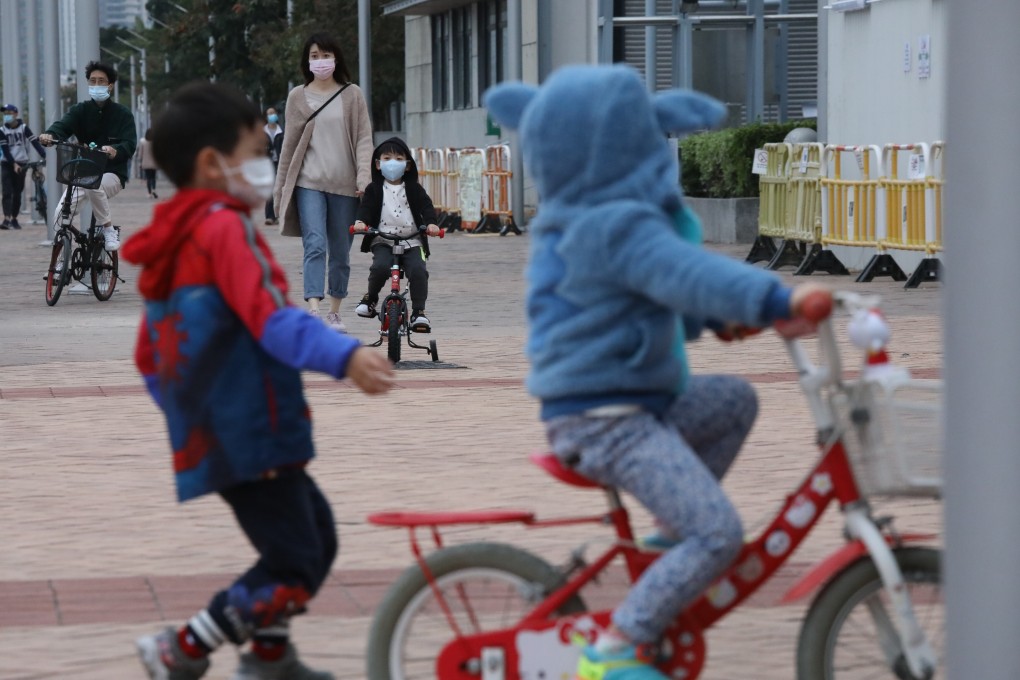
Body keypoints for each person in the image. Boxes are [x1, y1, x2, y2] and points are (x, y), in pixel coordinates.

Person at [484, 64, 830, 680]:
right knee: (719, 534)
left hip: (632, 402)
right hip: (605, 419)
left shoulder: (593, 222)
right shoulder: (613, 222)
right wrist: (775, 302)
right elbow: (685, 272)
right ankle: (617, 647)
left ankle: (672, 533)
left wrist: (717, 322)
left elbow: (645, 297)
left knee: (733, 402)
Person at [121, 81, 394, 680]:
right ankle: (186, 646)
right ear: (212, 164)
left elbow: (149, 354)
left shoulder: (184, 234)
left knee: (311, 541)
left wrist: (188, 411)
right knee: (298, 557)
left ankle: (269, 656)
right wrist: (342, 357)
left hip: (231, 424)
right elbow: (271, 317)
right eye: (256, 151)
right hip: (248, 425)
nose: (265, 164)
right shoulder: (221, 229)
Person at [273, 32, 373, 333]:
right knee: (314, 244)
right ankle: (314, 308)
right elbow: (288, 145)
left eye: (325, 55)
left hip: (345, 186)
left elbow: (364, 138)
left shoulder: (352, 94)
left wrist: (364, 178)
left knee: (340, 251)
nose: (320, 61)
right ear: (307, 61)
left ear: (336, 58)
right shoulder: (297, 97)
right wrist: (280, 189)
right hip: (309, 183)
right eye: (314, 56)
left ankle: (334, 311)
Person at [39, 60, 136, 252]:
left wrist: (116, 150)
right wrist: (50, 135)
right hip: (83, 172)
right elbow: (62, 126)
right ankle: (60, 261)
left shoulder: (123, 114)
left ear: (110, 85)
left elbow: (129, 144)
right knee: (60, 214)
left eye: (101, 81)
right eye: (93, 81)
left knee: (96, 185)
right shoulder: (80, 110)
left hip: (112, 174)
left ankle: (108, 230)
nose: (97, 85)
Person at [352, 137, 441, 333]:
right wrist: (361, 222)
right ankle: (371, 298)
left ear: (408, 165)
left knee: (418, 270)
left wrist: (432, 224)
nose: (393, 162)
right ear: (378, 163)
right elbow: (365, 209)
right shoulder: (374, 189)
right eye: (387, 157)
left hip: (412, 240)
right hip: (383, 239)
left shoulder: (414, 189)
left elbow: (427, 208)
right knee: (380, 267)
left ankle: (419, 312)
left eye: (399, 158)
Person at [0, 103, 47, 230]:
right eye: (5, 114)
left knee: (17, 192)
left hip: (22, 163)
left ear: (16, 114)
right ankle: (6, 219)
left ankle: (14, 218)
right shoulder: (2, 130)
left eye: (9, 113)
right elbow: (5, 149)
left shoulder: (24, 128)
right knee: (6, 191)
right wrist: (13, 164)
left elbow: (34, 142)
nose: (7, 116)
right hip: (7, 163)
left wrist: (44, 155)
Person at [264, 106, 283, 225]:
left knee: (278, 189)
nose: (271, 115)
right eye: (268, 113)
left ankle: (277, 215)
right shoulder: (262, 132)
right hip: (267, 162)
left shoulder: (281, 131)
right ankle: (270, 216)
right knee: (270, 189)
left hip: (279, 162)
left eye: (272, 113)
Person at [137, 127, 158, 199]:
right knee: (153, 177)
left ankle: (149, 193)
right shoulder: (155, 142)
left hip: (145, 162)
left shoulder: (143, 142)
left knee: (148, 178)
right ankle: (154, 189)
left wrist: (140, 160)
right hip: (154, 162)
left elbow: (140, 153)